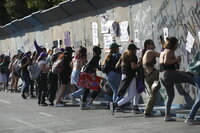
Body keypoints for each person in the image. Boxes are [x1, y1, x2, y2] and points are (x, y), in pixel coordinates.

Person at [159, 37, 196, 121]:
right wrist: (176, 60)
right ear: (173, 44)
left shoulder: (163, 51)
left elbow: (165, 66)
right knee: (190, 79)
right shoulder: (169, 51)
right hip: (168, 74)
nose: (177, 46)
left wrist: (179, 68)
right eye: (177, 44)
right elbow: (166, 62)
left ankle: (167, 115)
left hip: (163, 75)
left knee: (170, 96)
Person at [110, 43, 140, 115]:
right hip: (130, 76)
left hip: (125, 75)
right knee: (131, 96)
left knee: (137, 91)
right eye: (135, 49)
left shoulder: (124, 56)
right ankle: (115, 105)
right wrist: (139, 63)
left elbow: (117, 66)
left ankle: (135, 107)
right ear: (133, 50)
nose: (136, 51)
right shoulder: (133, 56)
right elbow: (133, 67)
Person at [142, 39, 160, 117]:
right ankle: (147, 111)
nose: (154, 46)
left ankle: (147, 111)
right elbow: (161, 55)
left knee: (153, 94)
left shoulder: (145, 53)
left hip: (149, 76)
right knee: (153, 95)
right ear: (147, 45)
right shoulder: (150, 52)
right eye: (152, 44)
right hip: (152, 75)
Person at [80, 46, 102, 110]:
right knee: (97, 89)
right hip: (91, 75)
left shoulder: (94, 56)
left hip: (87, 74)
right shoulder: (97, 57)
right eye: (99, 50)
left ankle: (83, 104)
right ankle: (89, 103)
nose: (101, 51)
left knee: (87, 89)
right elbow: (94, 66)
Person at [185, 51, 200, 125]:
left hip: (195, 75)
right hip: (198, 75)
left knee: (199, 97)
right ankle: (190, 117)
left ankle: (190, 117)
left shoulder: (198, 52)